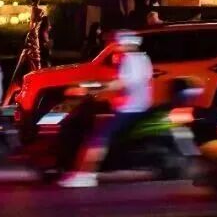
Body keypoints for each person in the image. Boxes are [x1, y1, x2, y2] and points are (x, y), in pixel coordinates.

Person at [59, 31, 154, 188]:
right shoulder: (143, 59)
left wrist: (93, 88)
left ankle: (86, 176)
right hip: (136, 107)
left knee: (98, 139)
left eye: (120, 43)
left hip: (130, 109)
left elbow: (122, 83)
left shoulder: (131, 60)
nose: (118, 46)